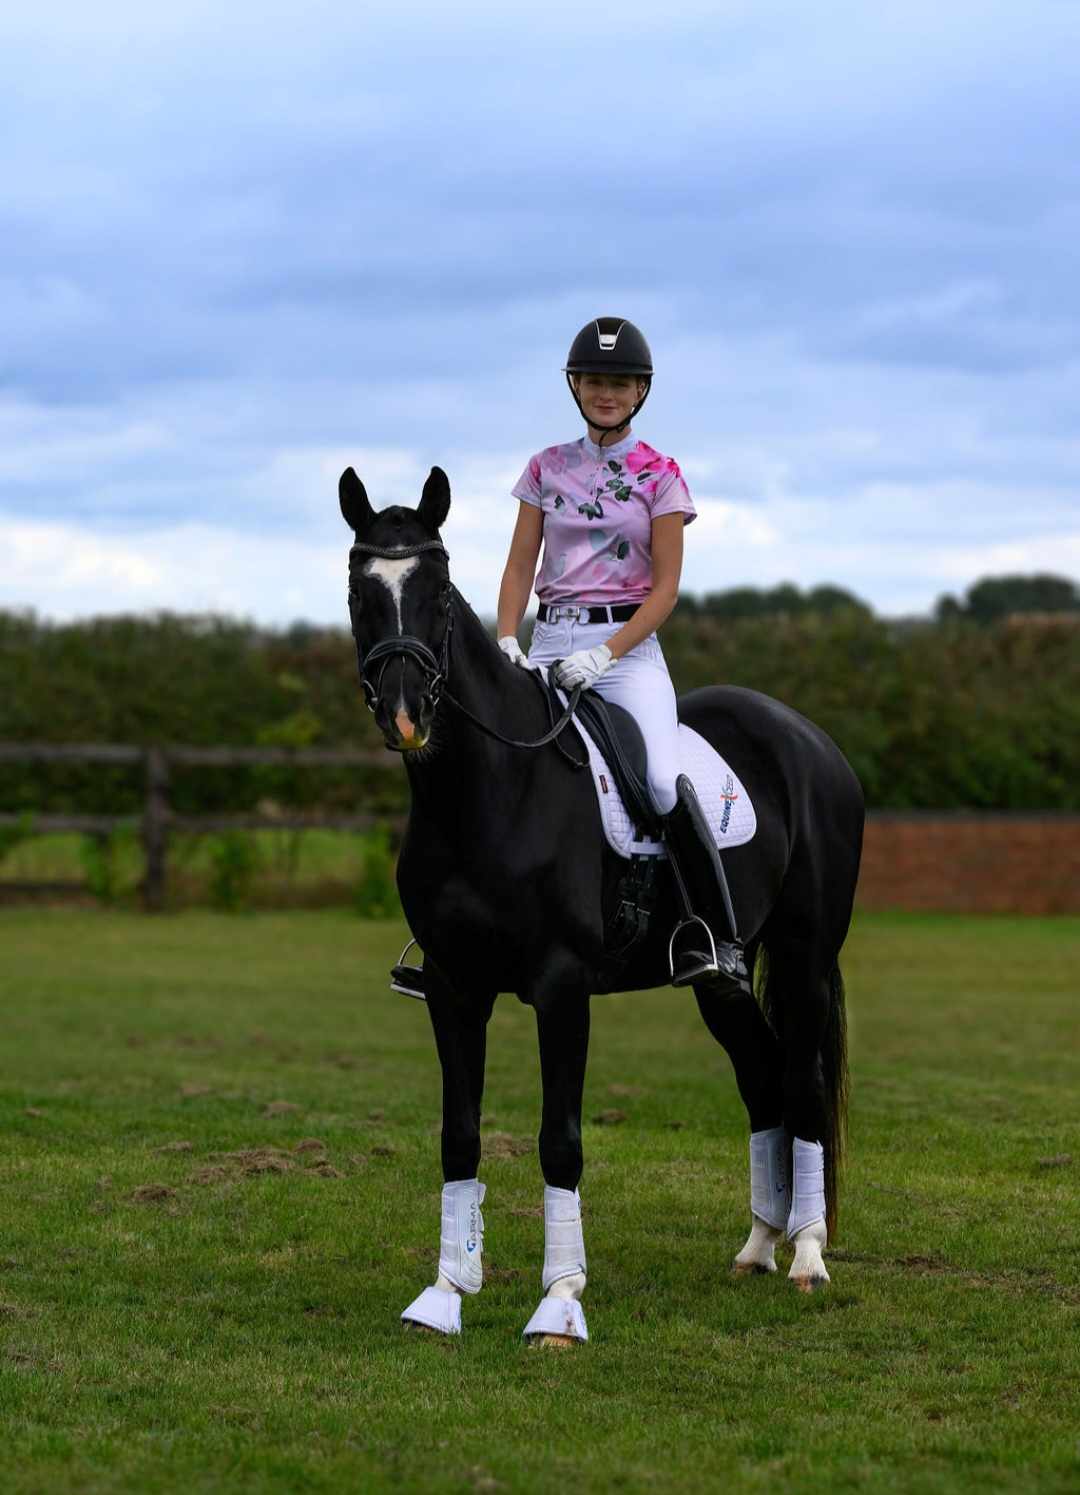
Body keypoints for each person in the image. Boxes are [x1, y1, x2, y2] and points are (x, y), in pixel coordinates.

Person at [496, 316, 749, 993]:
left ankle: (715, 936)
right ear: (576, 385)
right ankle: (455, 937)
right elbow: (522, 561)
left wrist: (607, 654)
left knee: (664, 781)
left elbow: (665, 589)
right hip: (548, 641)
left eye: (621, 383)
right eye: (597, 381)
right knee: (493, 764)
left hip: (628, 653)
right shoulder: (544, 468)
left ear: (640, 392)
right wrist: (505, 638)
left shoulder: (661, 475)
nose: (607, 393)